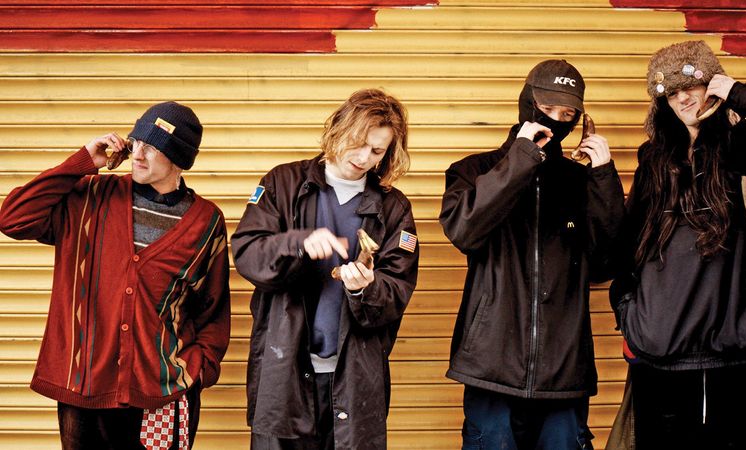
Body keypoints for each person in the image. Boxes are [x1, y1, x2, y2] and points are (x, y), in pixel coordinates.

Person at [605, 40, 746, 450]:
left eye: (689, 86)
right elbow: (630, 247)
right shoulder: (655, 161)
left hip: (744, 356)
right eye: (670, 92)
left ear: (712, 84)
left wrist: (740, 94)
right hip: (663, 359)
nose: (681, 98)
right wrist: (630, 316)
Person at [0, 101, 231, 449]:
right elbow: (13, 218)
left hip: (164, 391)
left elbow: (212, 308)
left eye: (152, 148)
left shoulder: (206, 222)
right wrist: (80, 164)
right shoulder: (90, 197)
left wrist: (197, 370)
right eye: (136, 141)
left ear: (180, 160)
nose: (138, 154)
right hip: (84, 388)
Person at [439, 59, 625, 449]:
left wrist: (604, 175)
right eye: (548, 110)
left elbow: (606, 261)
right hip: (491, 366)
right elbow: (465, 231)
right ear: (527, 104)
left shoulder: (580, 180)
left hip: (564, 374)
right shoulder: (472, 171)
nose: (556, 120)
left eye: (567, 114)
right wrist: (522, 156)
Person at [232, 88, 419, 450]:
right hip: (283, 373)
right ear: (338, 128)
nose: (364, 158)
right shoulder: (281, 183)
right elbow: (247, 253)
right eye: (358, 142)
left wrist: (366, 288)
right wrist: (297, 244)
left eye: (377, 151)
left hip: (355, 380)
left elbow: (398, 288)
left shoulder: (394, 207)